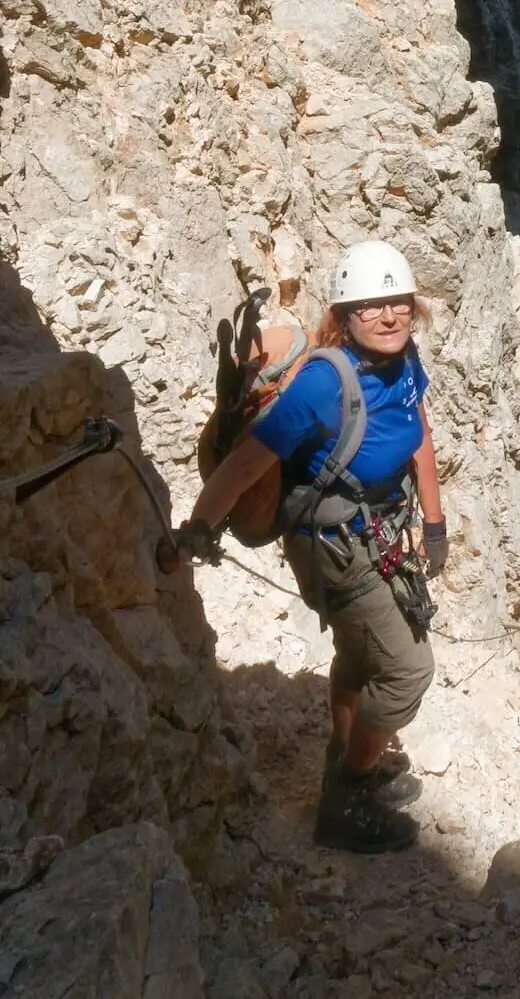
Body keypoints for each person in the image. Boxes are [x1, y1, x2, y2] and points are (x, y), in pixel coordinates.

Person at [177, 240, 448, 853]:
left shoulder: (404, 365)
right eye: (371, 307)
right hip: (333, 545)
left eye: (398, 304)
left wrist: (434, 523)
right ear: (346, 317)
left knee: (359, 656)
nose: (389, 316)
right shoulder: (325, 383)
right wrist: (198, 529)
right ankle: (347, 795)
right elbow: (251, 461)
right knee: (408, 670)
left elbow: (418, 430)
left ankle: (348, 764)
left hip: (377, 532)